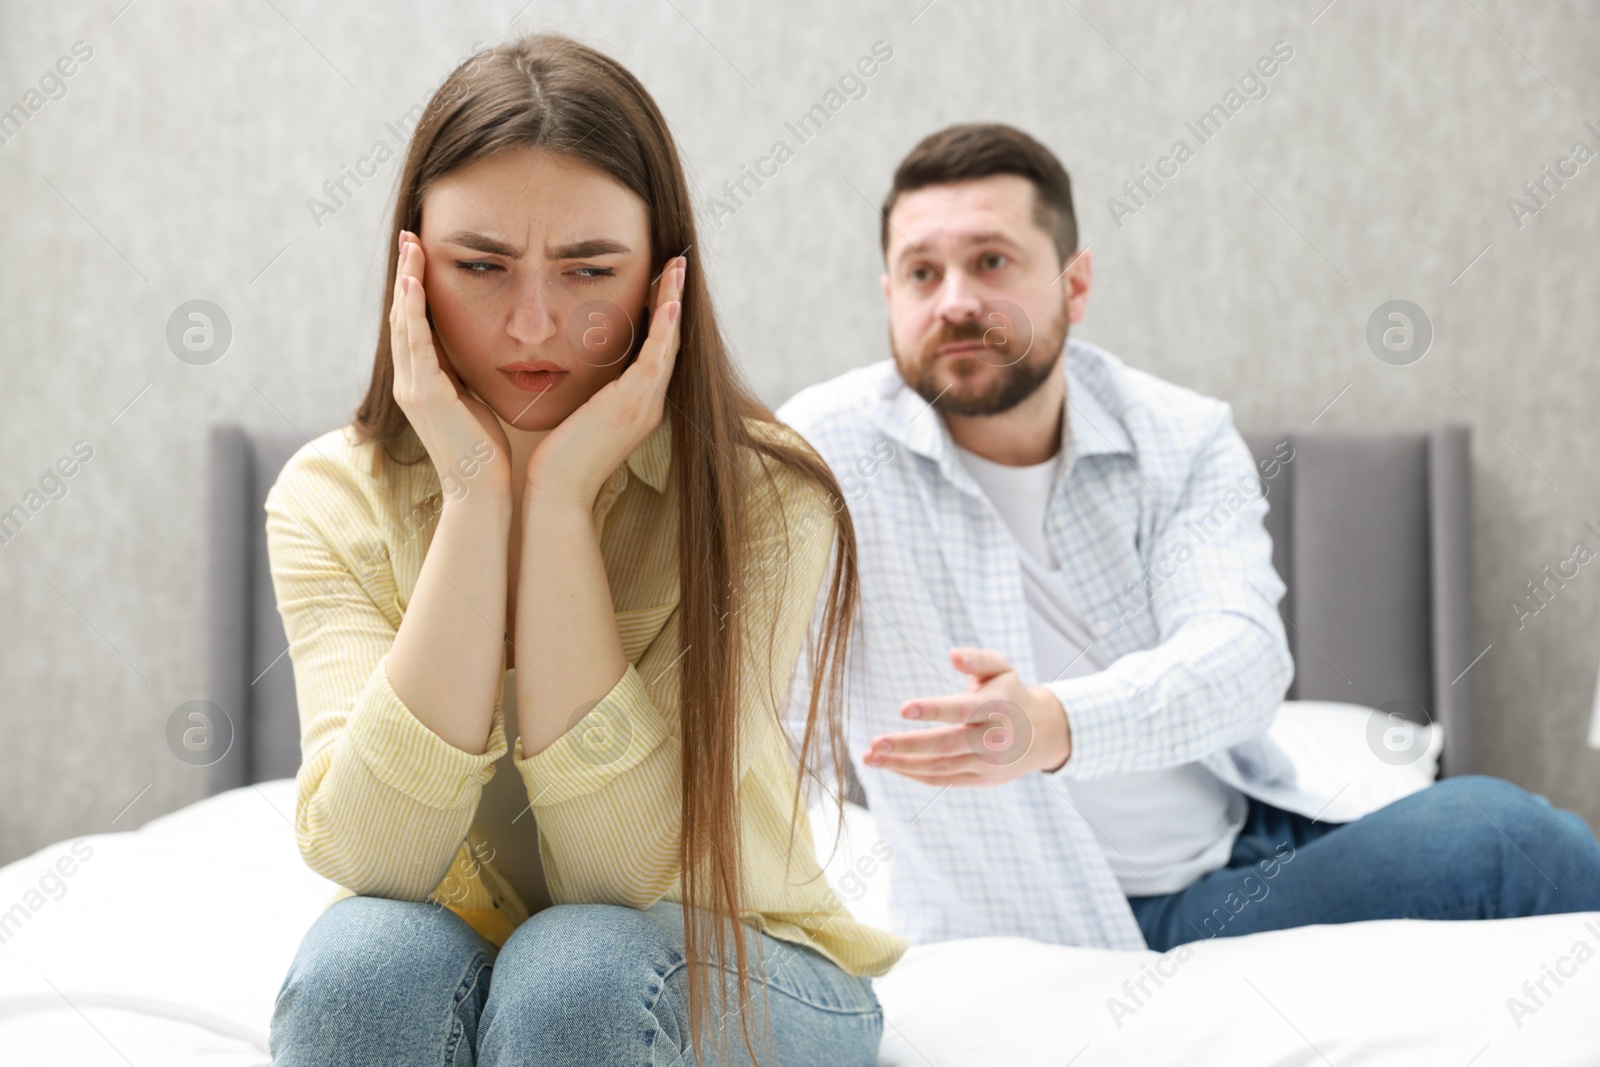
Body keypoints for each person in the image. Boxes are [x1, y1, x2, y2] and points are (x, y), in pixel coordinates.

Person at [776, 121, 1600, 955]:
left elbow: (1242, 658)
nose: (954, 299)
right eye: (923, 272)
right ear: (891, 297)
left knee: (1516, 838)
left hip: (1255, 847)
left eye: (991, 260)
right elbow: (762, 709)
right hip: (1090, 917)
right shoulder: (825, 453)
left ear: (1075, 284)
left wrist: (1052, 723)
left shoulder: (1178, 436)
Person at [264, 33, 904, 1066]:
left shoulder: (769, 498)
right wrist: (478, 498)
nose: (532, 324)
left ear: (663, 278)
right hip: (472, 950)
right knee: (361, 964)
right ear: (411, 269)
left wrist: (558, 502)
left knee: (576, 968)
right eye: (481, 266)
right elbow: (378, 855)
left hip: (728, 955)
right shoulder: (330, 495)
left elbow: (620, 873)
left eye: (588, 270)